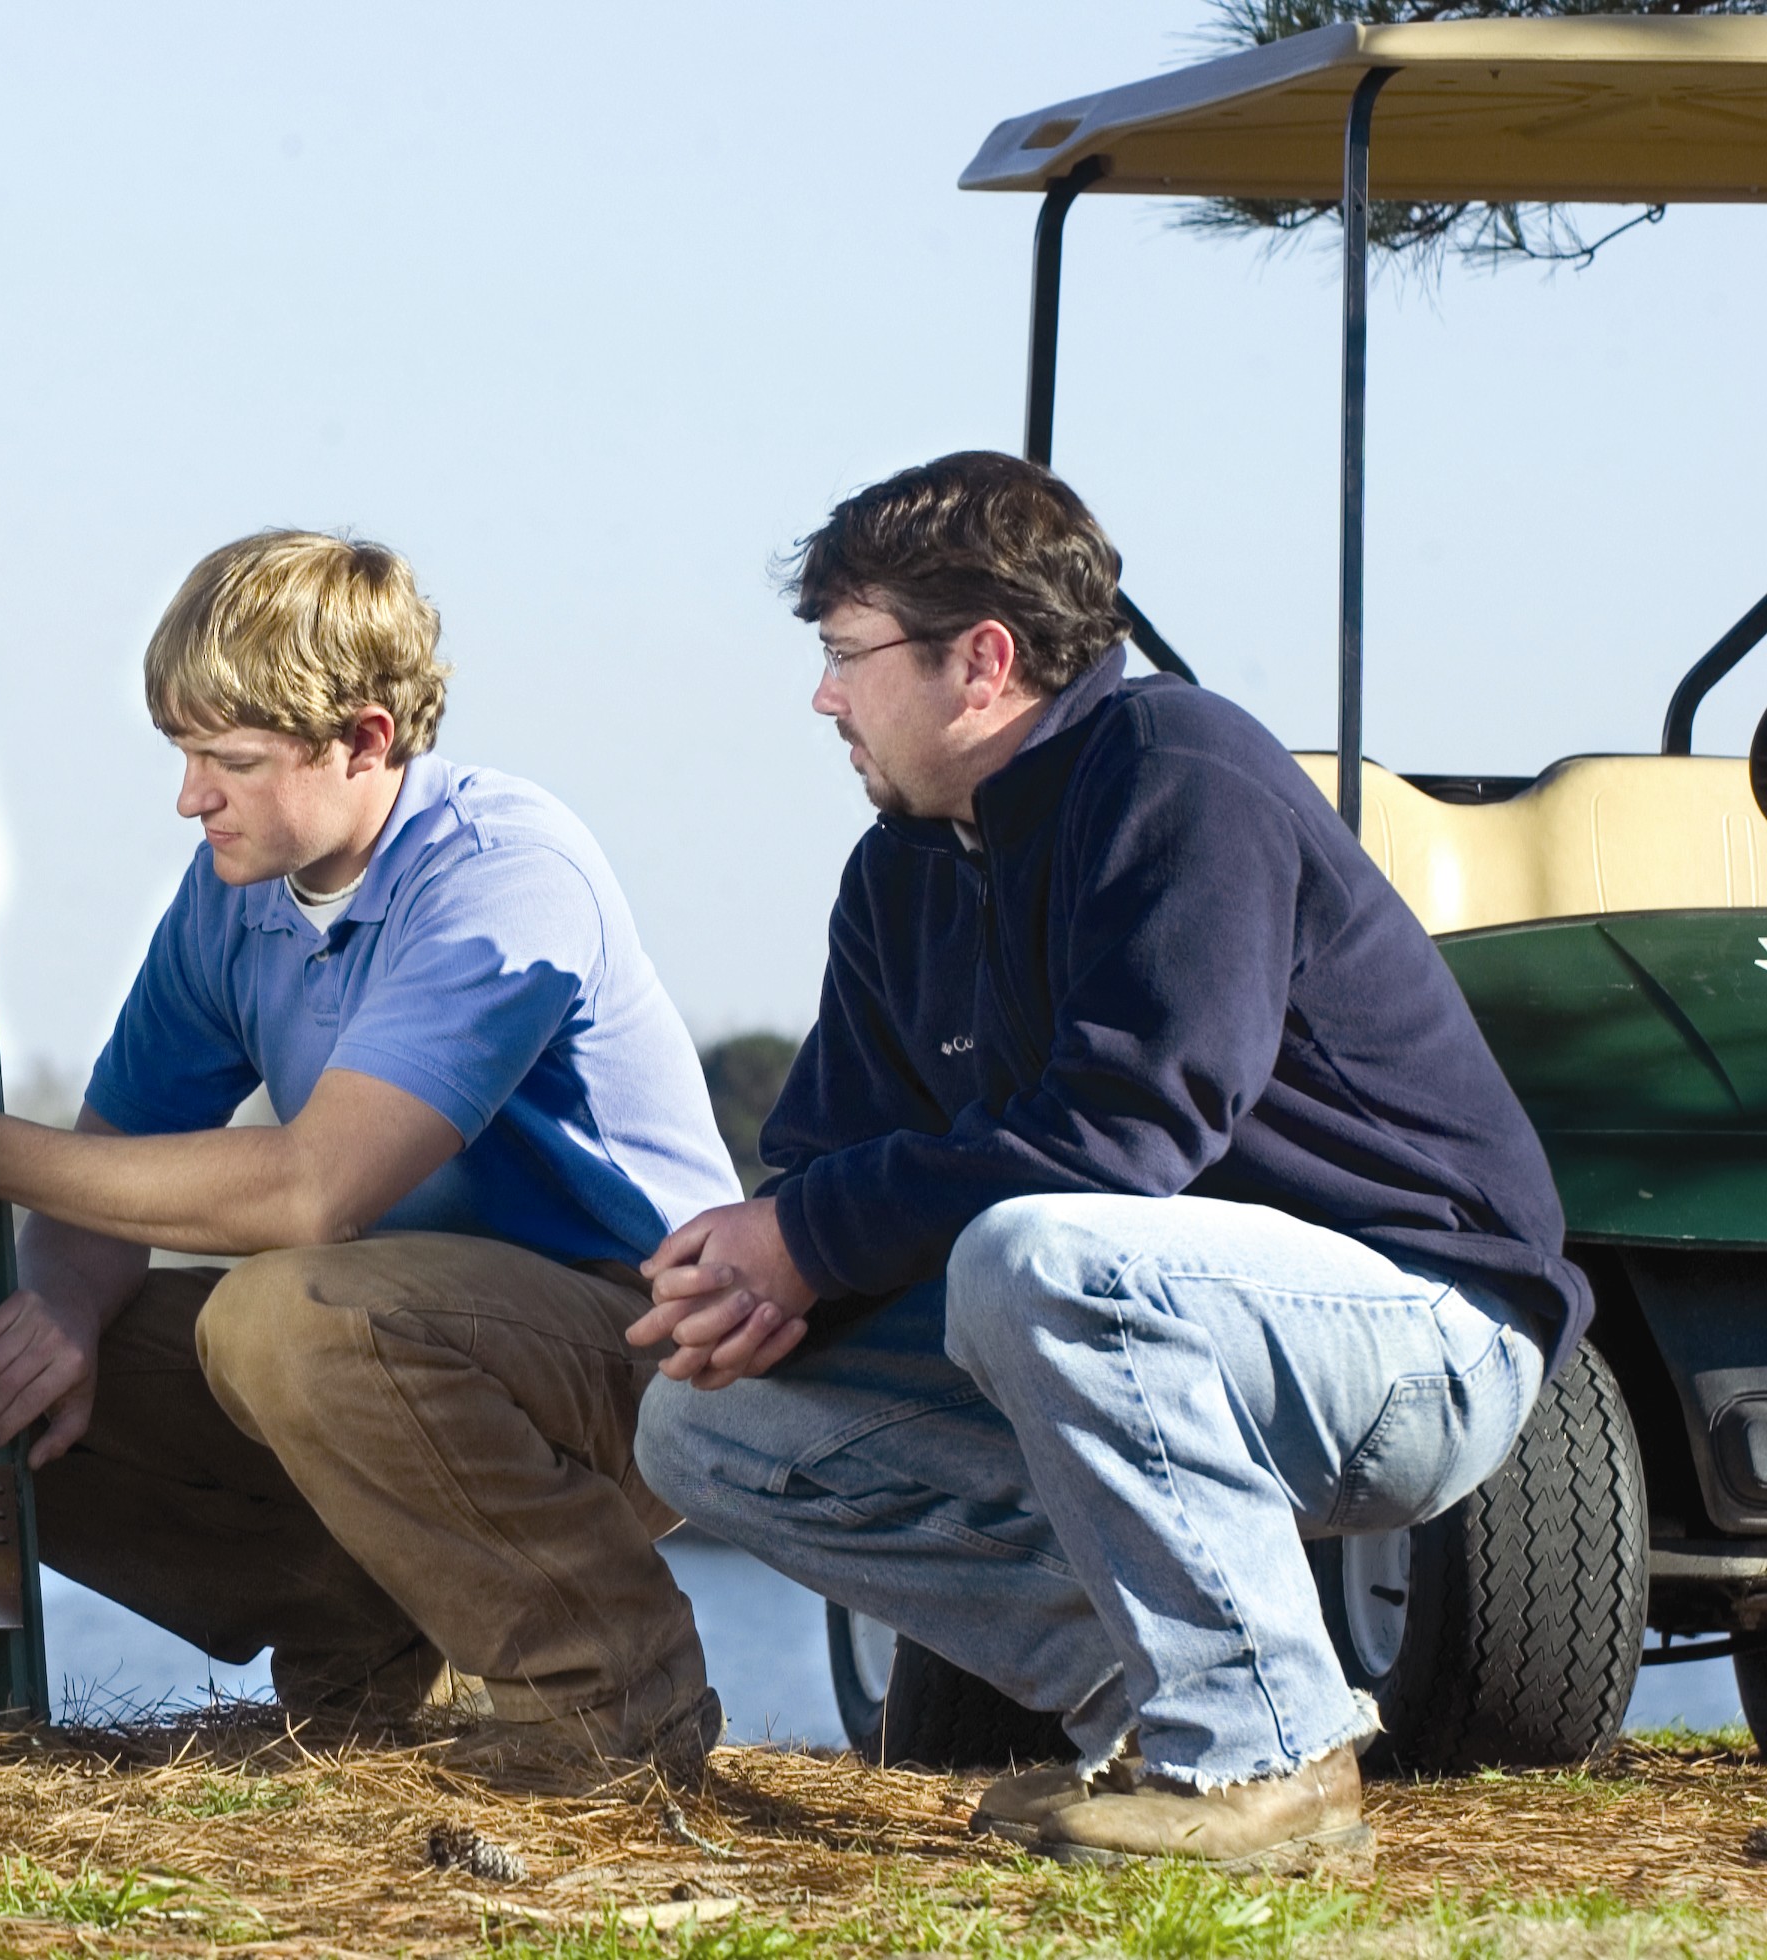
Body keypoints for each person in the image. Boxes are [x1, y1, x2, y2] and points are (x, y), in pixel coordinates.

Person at [630, 453, 1588, 1872]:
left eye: (845, 654)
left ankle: (1265, 1761)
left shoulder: (1178, 770)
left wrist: (817, 1237)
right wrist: (766, 1286)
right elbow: (834, 1156)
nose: (824, 696)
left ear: (984, 660)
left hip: (1422, 1331)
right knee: (703, 1429)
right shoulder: (897, 874)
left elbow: (1125, 1132)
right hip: (1136, 1321)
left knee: (1044, 1249)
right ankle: (1167, 1709)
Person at [0, 528, 742, 1788]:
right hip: (425, 1343)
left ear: (364, 740)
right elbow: (114, 1157)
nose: (190, 795)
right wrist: (69, 1311)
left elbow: (313, 1188)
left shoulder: (503, 872)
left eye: (230, 760)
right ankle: (364, 1664)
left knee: (291, 1311)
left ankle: (611, 1696)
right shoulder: (229, 896)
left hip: (645, 1359)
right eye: (184, 753)